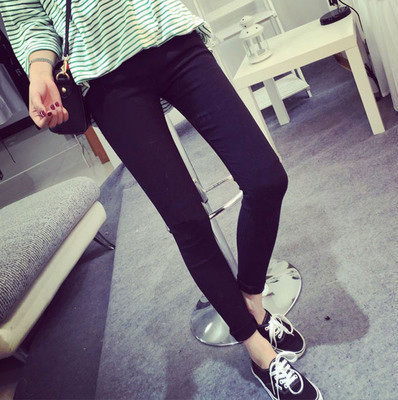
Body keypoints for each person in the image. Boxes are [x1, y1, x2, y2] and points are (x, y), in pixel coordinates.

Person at [0, 1, 322, 399]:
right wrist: (39, 71)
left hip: (171, 36)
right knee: (187, 221)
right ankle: (258, 351)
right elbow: (27, 18)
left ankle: (253, 305)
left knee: (266, 179)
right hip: (106, 78)